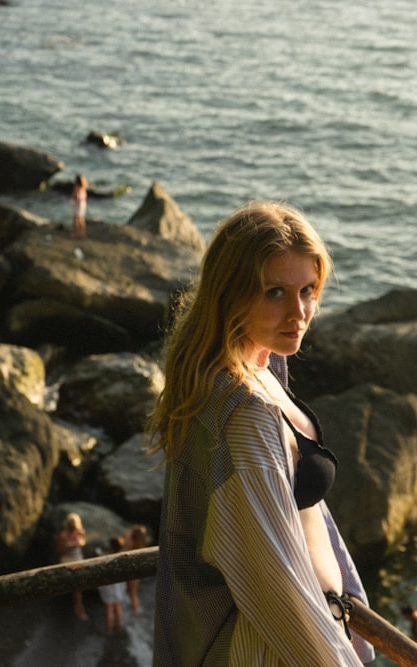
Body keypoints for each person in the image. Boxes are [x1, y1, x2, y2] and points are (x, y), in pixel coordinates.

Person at [148, 200, 375, 665]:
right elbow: (276, 588)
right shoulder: (244, 416)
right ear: (231, 295)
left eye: (308, 289)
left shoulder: (257, 366)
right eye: (275, 292)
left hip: (316, 629)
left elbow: (305, 516)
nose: (299, 311)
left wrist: (348, 611)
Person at [55, 512, 88, 620]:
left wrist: (79, 543)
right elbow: (60, 550)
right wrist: (72, 546)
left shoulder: (79, 532)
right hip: (68, 560)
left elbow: (83, 542)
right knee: (77, 587)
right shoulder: (63, 535)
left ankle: (78, 606)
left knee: (78, 587)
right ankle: (78, 607)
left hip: (78, 558)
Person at [98, 536, 127, 633]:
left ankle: (108, 630)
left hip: (109, 587)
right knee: (118, 606)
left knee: (109, 608)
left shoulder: (105, 557)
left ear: (111, 546)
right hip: (119, 586)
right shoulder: (123, 557)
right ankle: (119, 627)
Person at [123, 524, 149, 615]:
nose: (126, 538)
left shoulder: (133, 548)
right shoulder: (136, 547)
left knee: (132, 593)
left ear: (134, 540)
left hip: (134, 574)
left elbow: (126, 544)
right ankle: (134, 610)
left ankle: (135, 613)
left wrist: (126, 538)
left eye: (129, 537)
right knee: (130, 593)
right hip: (133, 573)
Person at [70, 173, 88, 239]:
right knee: (82, 218)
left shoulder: (77, 187)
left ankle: (76, 234)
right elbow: (85, 196)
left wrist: (73, 197)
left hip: (77, 204)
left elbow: (77, 196)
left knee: (76, 219)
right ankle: (82, 233)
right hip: (83, 203)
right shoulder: (84, 186)